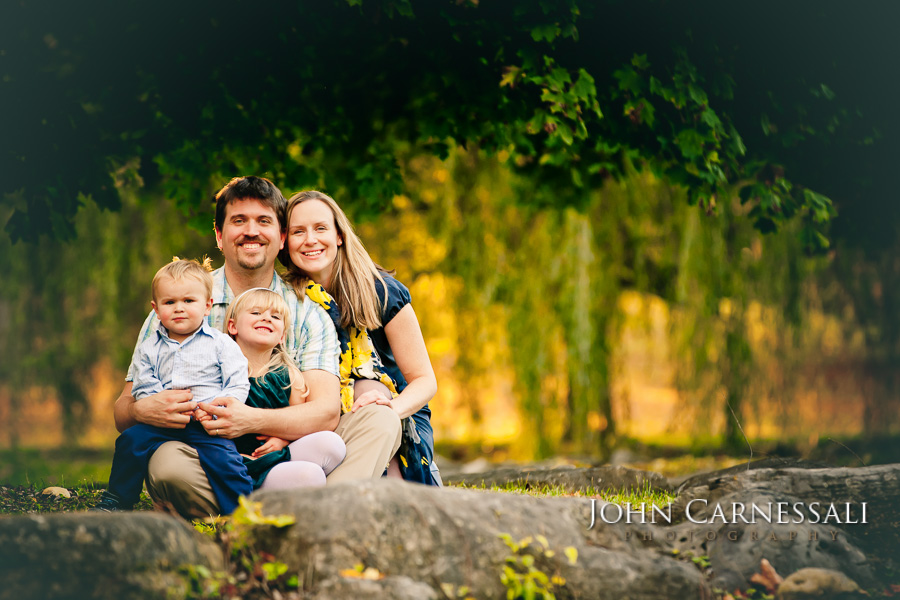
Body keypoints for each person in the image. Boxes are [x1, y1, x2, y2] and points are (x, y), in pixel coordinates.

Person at [113, 176, 400, 519]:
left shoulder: (308, 311)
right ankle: (289, 502)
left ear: (280, 238)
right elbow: (122, 411)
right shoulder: (177, 305)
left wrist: (250, 420)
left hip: (287, 447)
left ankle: (323, 510)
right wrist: (141, 411)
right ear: (219, 236)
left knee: (380, 422)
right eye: (239, 221)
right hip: (202, 449)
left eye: (264, 221)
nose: (251, 231)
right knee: (168, 465)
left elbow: (325, 412)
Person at [280, 190, 441, 485]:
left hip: (393, 410)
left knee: (370, 391)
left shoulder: (382, 291)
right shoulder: (283, 299)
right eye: (297, 231)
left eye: (320, 228)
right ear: (284, 241)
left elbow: (425, 381)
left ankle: (387, 486)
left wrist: (390, 410)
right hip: (321, 414)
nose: (310, 240)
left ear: (339, 235)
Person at [95, 258, 253, 514]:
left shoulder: (221, 344)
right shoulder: (149, 348)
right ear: (156, 310)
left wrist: (215, 408)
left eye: (188, 301)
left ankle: (242, 512)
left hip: (206, 423)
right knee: (130, 441)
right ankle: (117, 501)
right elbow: (143, 384)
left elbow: (236, 382)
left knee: (225, 460)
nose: (179, 308)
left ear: (207, 306)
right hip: (163, 422)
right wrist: (160, 403)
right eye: (170, 302)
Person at [217, 287, 346, 489]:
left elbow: (301, 423)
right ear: (233, 326)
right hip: (233, 461)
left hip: (275, 458)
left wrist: (282, 440)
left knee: (332, 444)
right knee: (311, 476)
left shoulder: (289, 376)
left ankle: (284, 485)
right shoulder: (220, 371)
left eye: (275, 316)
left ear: (282, 337)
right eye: (256, 313)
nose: (267, 318)